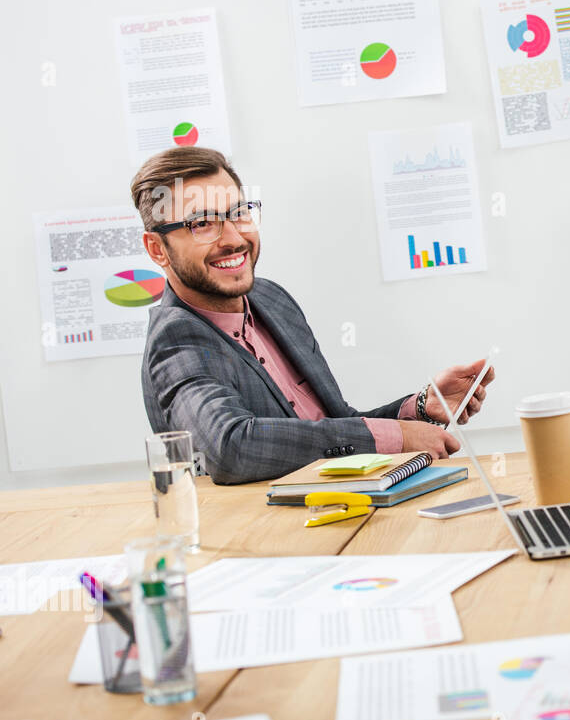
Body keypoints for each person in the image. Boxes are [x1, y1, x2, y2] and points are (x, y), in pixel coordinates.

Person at [135, 147, 493, 485]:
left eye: (238, 213)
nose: (233, 238)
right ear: (157, 249)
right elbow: (229, 447)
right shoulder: (177, 337)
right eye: (202, 223)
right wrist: (397, 438)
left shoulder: (270, 299)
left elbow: (330, 427)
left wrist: (416, 409)